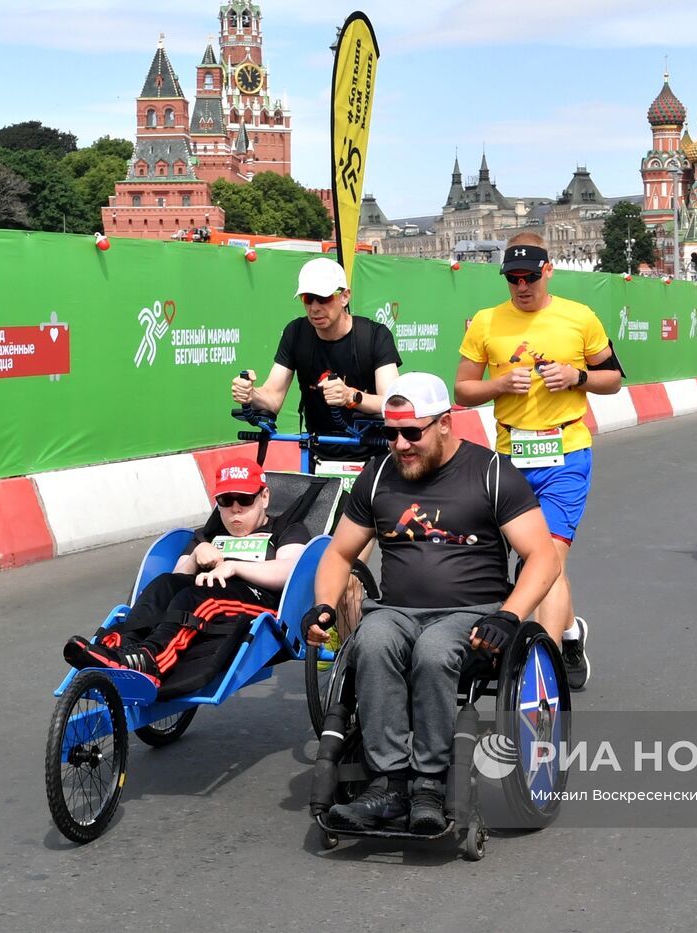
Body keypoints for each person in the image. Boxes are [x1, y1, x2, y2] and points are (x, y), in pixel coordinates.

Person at [303, 372, 559, 833]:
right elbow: (339, 553)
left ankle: (430, 783)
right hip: (396, 611)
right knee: (372, 641)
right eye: (391, 433)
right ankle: (389, 783)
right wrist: (323, 606)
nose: (400, 444)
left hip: (472, 612)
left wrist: (510, 615)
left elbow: (542, 557)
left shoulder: (492, 472)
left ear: (444, 424)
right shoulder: (379, 473)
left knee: (435, 651)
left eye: (411, 433)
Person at [453, 231, 623, 690]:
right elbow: (462, 390)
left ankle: (539, 674)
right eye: (513, 279)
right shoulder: (487, 322)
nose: (522, 286)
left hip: (566, 454)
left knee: (547, 559)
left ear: (548, 271)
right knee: (523, 564)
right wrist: (498, 385)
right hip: (509, 457)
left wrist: (577, 376)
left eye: (530, 277)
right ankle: (569, 633)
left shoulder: (579, 317)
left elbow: (614, 379)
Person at [62, 457, 310, 692]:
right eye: (225, 500)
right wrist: (194, 555)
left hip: (260, 605)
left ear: (264, 497)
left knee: (198, 598)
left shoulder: (286, 529)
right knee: (164, 584)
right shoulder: (208, 534)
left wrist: (234, 566)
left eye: (244, 500)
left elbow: (290, 571)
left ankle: (151, 659)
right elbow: (178, 577)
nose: (235, 510)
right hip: (206, 600)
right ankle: (119, 648)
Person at [231, 256, 401, 470]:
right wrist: (250, 394)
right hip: (317, 454)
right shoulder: (296, 332)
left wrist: (351, 396)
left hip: (373, 455)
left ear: (345, 297)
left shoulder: (375, 336)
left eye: (324, 298)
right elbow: (272, 398)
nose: (315, 307)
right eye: (308, 298)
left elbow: (393, 404)